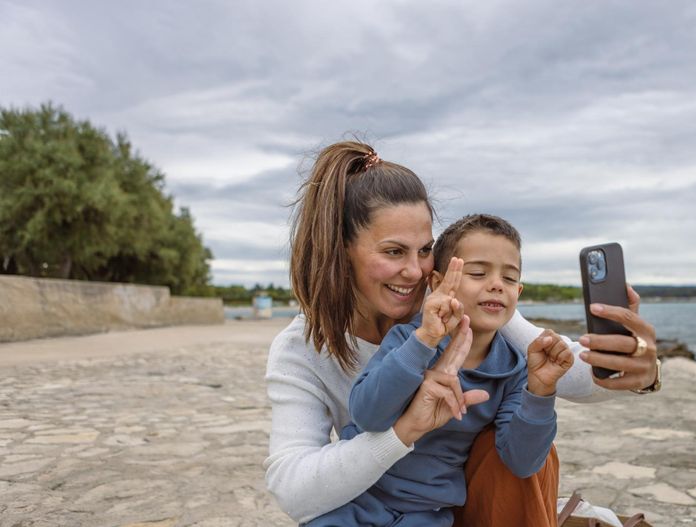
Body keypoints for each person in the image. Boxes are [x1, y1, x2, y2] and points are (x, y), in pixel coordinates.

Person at [264, 141, 661, 526]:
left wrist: (642, 368)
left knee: (519, 446)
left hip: (442, 505)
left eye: (424, 250)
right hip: (368, 499)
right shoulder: (303, 348)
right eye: (393, 252)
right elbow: (295, 491)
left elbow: (571, 372)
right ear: (340, 251)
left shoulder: (461, 308)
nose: (416, 272)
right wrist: (406, 429)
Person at [305, 214, 574, 526]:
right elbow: (368, 415)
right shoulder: (410, 339)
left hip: (426, 512)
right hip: (357, 496)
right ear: (438, 284)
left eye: (510, 278)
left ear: (519, 293)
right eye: (477, 272)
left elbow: (523, 462)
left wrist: (541, 392)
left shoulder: (514, 371)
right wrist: (424, 343)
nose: (497, 285)